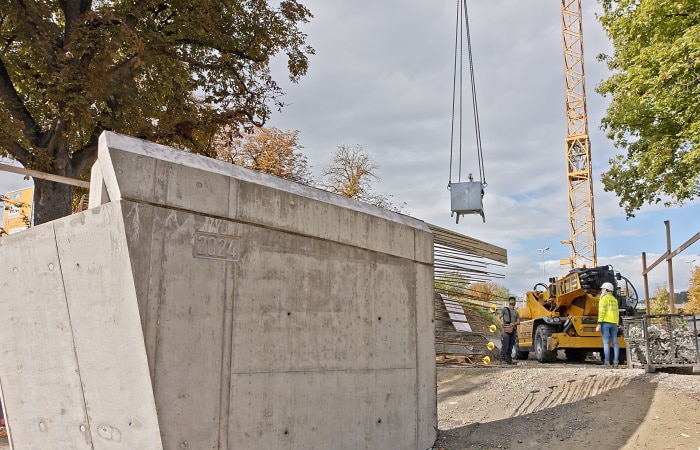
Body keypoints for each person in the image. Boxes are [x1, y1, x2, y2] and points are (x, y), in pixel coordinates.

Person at [596, 282, 620, 367]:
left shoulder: (603, 299)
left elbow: (602, 312)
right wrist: (617, 324)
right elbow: (617, 313)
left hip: (605, 323)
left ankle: (607, 362)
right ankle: (616, 362)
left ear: (606, 290)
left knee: (606, 343)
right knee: (615, 343)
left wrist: (599, 323)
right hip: (614, 323)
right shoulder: (614, 300)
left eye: (602, 289)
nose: (602, 290)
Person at [498, 297, 520, 364]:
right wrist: (501, 323)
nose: (512, 301)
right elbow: (498, 317)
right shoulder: (505, 309)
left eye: (513, 300)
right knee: (505, 344)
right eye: (511, 300)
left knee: (511, 345)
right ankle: (503, 359)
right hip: (506, 329)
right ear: (509, 301)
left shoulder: (516, 312)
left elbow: (518, 322)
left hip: (513, 329)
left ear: (515, 302)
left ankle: (509, 359)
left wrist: (513, 323)